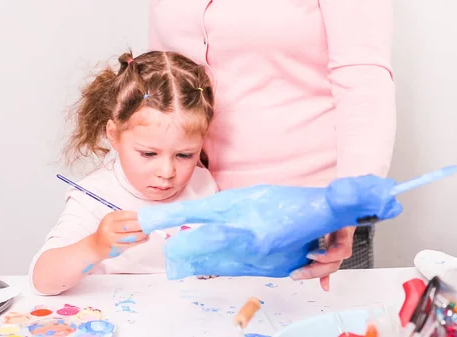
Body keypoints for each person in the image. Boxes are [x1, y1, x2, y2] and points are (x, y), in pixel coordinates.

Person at [148, 0, 396, 291]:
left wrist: (350, 203)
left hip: (309, 214)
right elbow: (163, 72)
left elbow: (363, 78)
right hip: (194, 208)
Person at [30, 50, 218, 295]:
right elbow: (43, 281)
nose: (167, 172)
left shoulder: (202, 186)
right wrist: (96, 246)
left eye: (184, 155)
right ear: (114, 135)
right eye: (149, 154)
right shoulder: (93, 196)